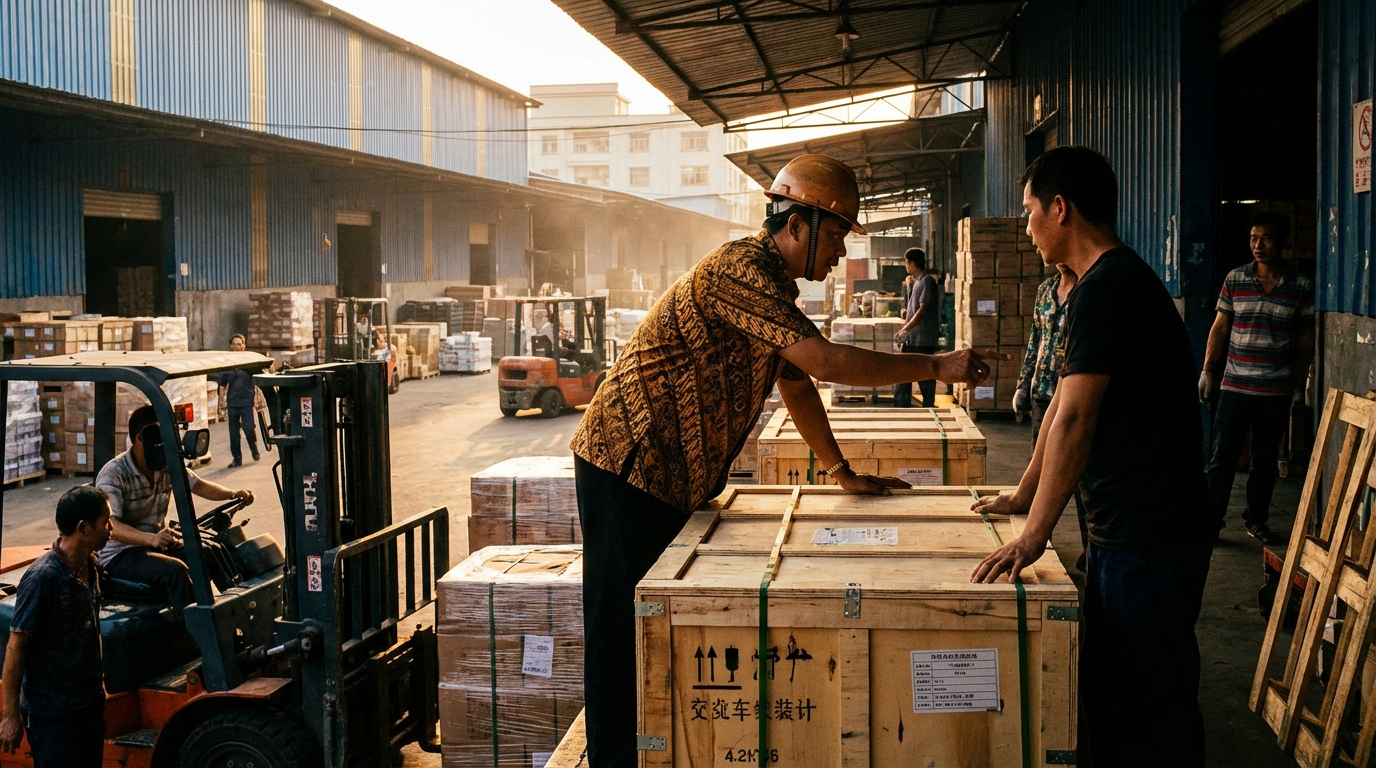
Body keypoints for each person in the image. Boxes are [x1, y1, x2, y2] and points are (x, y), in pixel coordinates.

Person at [571, 153, 1004, 767]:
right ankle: (613, 759)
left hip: (671, 476)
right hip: (628, 462)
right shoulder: (740, 268)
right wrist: (934, 365)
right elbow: (823, 362)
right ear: (799, 223)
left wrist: (838, 470)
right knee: (621, 629)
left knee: (657, 620)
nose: (838, 254)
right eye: (837, 235)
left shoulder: (773, 289)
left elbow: (798, 381)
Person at [970, 147, 1217, 767]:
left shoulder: (1111, 288)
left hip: (1150, 529)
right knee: (1115, 686)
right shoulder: (1094, 289)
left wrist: (1033, 537)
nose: (1026, 231)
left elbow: (1077, 419)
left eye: (1029, 213)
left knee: (1152, 696)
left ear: (1060, 208)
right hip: (1121, 528)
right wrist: (1025, 498)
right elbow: (1059, 404)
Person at [1199, 211, 1314, 545]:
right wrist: (1208, 370)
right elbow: (1220, 327)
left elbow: (1305, 340)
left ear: (1283, 243)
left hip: (1275, 390)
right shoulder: (1235, 279)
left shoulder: (1300, 285)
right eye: (1253, 238)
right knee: (1221, 459)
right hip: (1234, 386)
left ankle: (1256, 520)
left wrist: (1298, 385)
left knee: (1264, 462)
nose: (1257, 245)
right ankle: (1211, 522)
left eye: (1265, 238)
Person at [96, 405, 254, 613]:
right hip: (120, 554)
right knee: (175, 571)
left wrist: (233, 494)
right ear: (138, 438)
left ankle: (238, 613)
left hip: (152, 544)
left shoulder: (165, 465)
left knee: (209, 550)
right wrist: (150, 538)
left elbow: (198, 485)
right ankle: (194, 636)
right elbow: (111, 526)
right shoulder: (115, 473)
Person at [0, 485, 112, 767]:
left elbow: (92, 627)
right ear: (83, 528)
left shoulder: (91, 564)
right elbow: (16, 646)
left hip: (87, 706)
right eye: (106, 522)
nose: (111, 528)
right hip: (53, 716)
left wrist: (99, 685)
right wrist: (10, 716)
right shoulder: (43, 578)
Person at [893, 247, 942, 407]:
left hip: (923, 338)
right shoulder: (915, 283)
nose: (906, 266)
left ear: (912, 263)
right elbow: (914, 308)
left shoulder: (928, 281)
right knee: (904, 369)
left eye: (906, 262)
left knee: (925, 372)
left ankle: (929, 405)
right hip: (913, 337)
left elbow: (922, 310)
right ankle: (903, 404)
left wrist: (905, 328)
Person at [217, 334, 260, 467]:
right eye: (234, 344)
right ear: (231, 346)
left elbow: (259, 377)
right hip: (233, 403)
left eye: (239, 344)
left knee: (248, 428)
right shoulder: (227, 363)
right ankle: (237, 458)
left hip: (247, 401)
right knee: (234, 433)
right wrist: (220, 403)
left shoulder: (249, 362)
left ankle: (254, 449)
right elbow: (222, 384)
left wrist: (257, 398)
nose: (236, 346)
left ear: (243, 346)